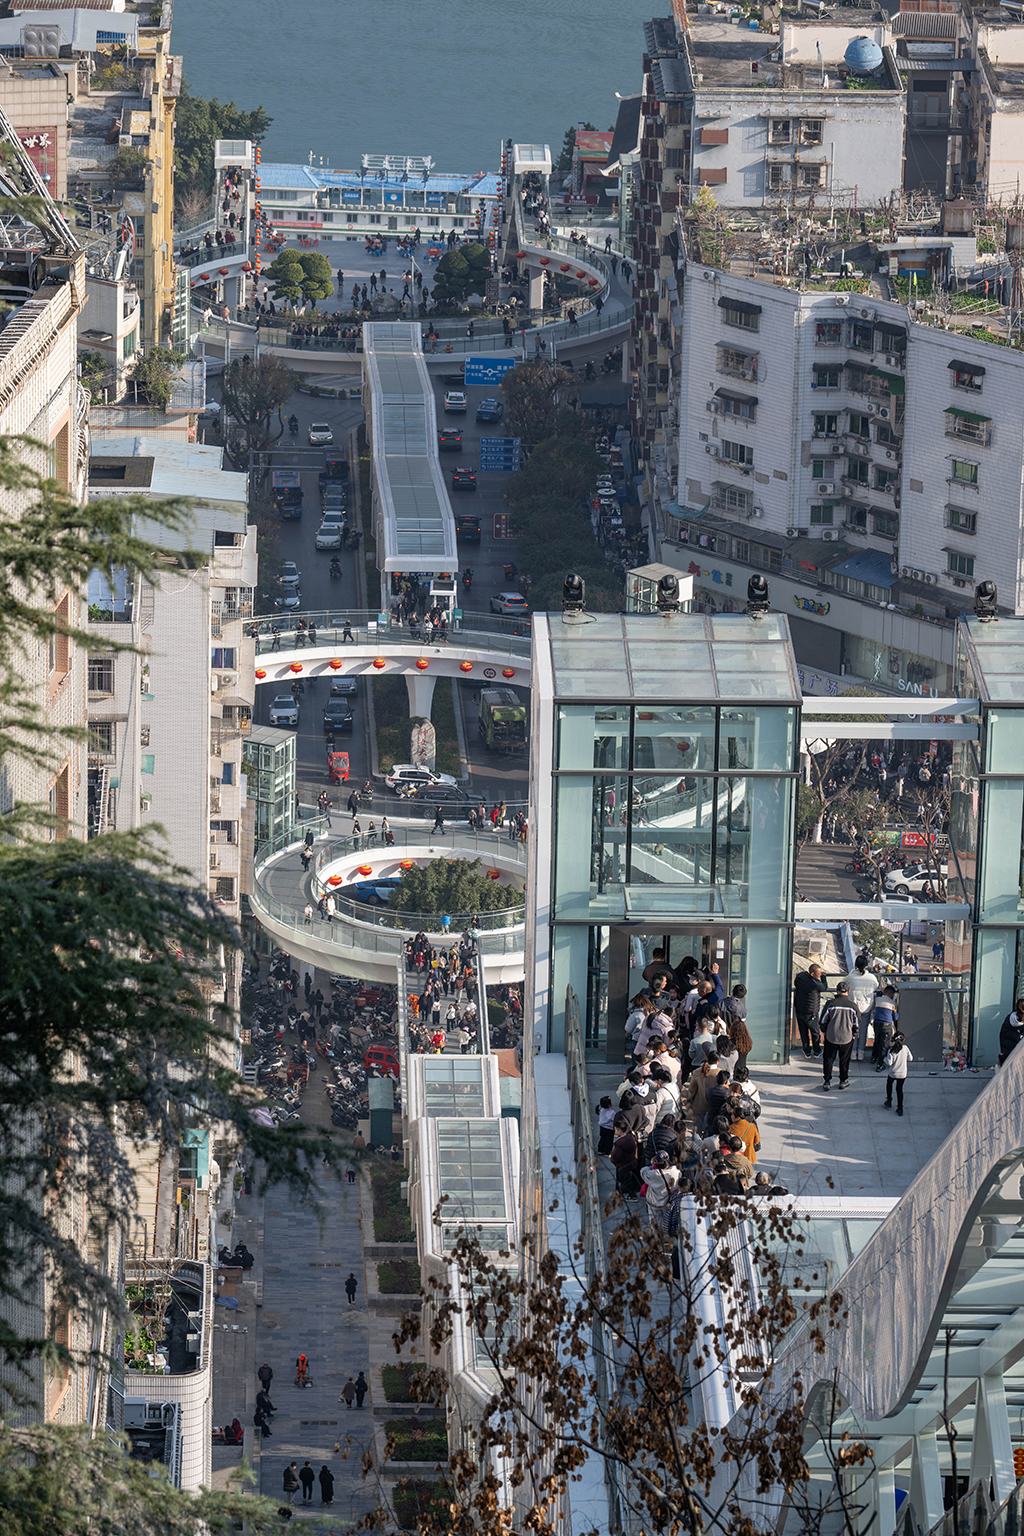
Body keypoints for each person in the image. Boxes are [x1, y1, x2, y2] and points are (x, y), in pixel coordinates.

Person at [820, 982, 859, 1092]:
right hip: (847, 1038)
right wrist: (854, 1034)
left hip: (831, 1036)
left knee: (828, 1059)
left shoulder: (830, 1004)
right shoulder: (852, 1006)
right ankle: (843, 1080)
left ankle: (827, 1081)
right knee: (844, 1060)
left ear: (837, 991)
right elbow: (857, 1023)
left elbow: (823, 1020)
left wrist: (824, 1031)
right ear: (848, 991)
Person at [844, 955, 879, 1061]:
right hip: (866, 1007)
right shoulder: (872, 978)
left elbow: (844, 985)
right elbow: (876, 987)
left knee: (852, 1030)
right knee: (863, 1030)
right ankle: (861, 1052)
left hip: (853, 1007)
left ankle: (853, 1052)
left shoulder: (850, 977)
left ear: (855, 965)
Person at [793, 964, 828, 1057]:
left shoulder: (801, 977)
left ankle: (806, 1051)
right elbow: (824, 987)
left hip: (800, 1009)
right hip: (811, 1012)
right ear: (812, 974)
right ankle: (817, 1050)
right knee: (815, 1032)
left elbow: (796, 982)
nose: (820, 975)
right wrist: (824, 978)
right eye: (819, 974)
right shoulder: (815, 984)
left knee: (803, 1031)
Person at [609, 1114, 642, 1197]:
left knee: (624, 1181)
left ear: (619, 1131)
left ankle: (631, 1196)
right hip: (631, 1164)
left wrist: (611, 1157)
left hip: (623, 1166)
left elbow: (615, 1157)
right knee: (628, 1180)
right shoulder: (631, 1138)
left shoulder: (620, 1144)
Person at [883, 1031, 913, 1116]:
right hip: (902, 1073)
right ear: (903, 1040)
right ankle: (900, 1108)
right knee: (899, 1090)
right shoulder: (905, 1048)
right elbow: (910, 1058)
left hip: (893, 1073)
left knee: (889, 1084)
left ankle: (889, 1100)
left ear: (893, 1039)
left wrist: (884, 1059)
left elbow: (889, 1063)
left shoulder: (891, 1050)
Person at [871, 986, 899, 1071]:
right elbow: (895, 1017)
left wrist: (881, 992)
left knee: (877, 1040)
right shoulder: (893, 1004)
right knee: (884, 1044)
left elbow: (879, 996)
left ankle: (873, 1058)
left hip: (876, 1023)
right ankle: (880, 1064)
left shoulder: (878, 1000)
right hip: (886, 1025)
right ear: (892, 995)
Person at [999, 998, 1024, 1065]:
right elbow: (1006, 1033)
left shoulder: (1010, 1018)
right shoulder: (1011, 1020)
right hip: (1011, 1049)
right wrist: (1019, 1037)